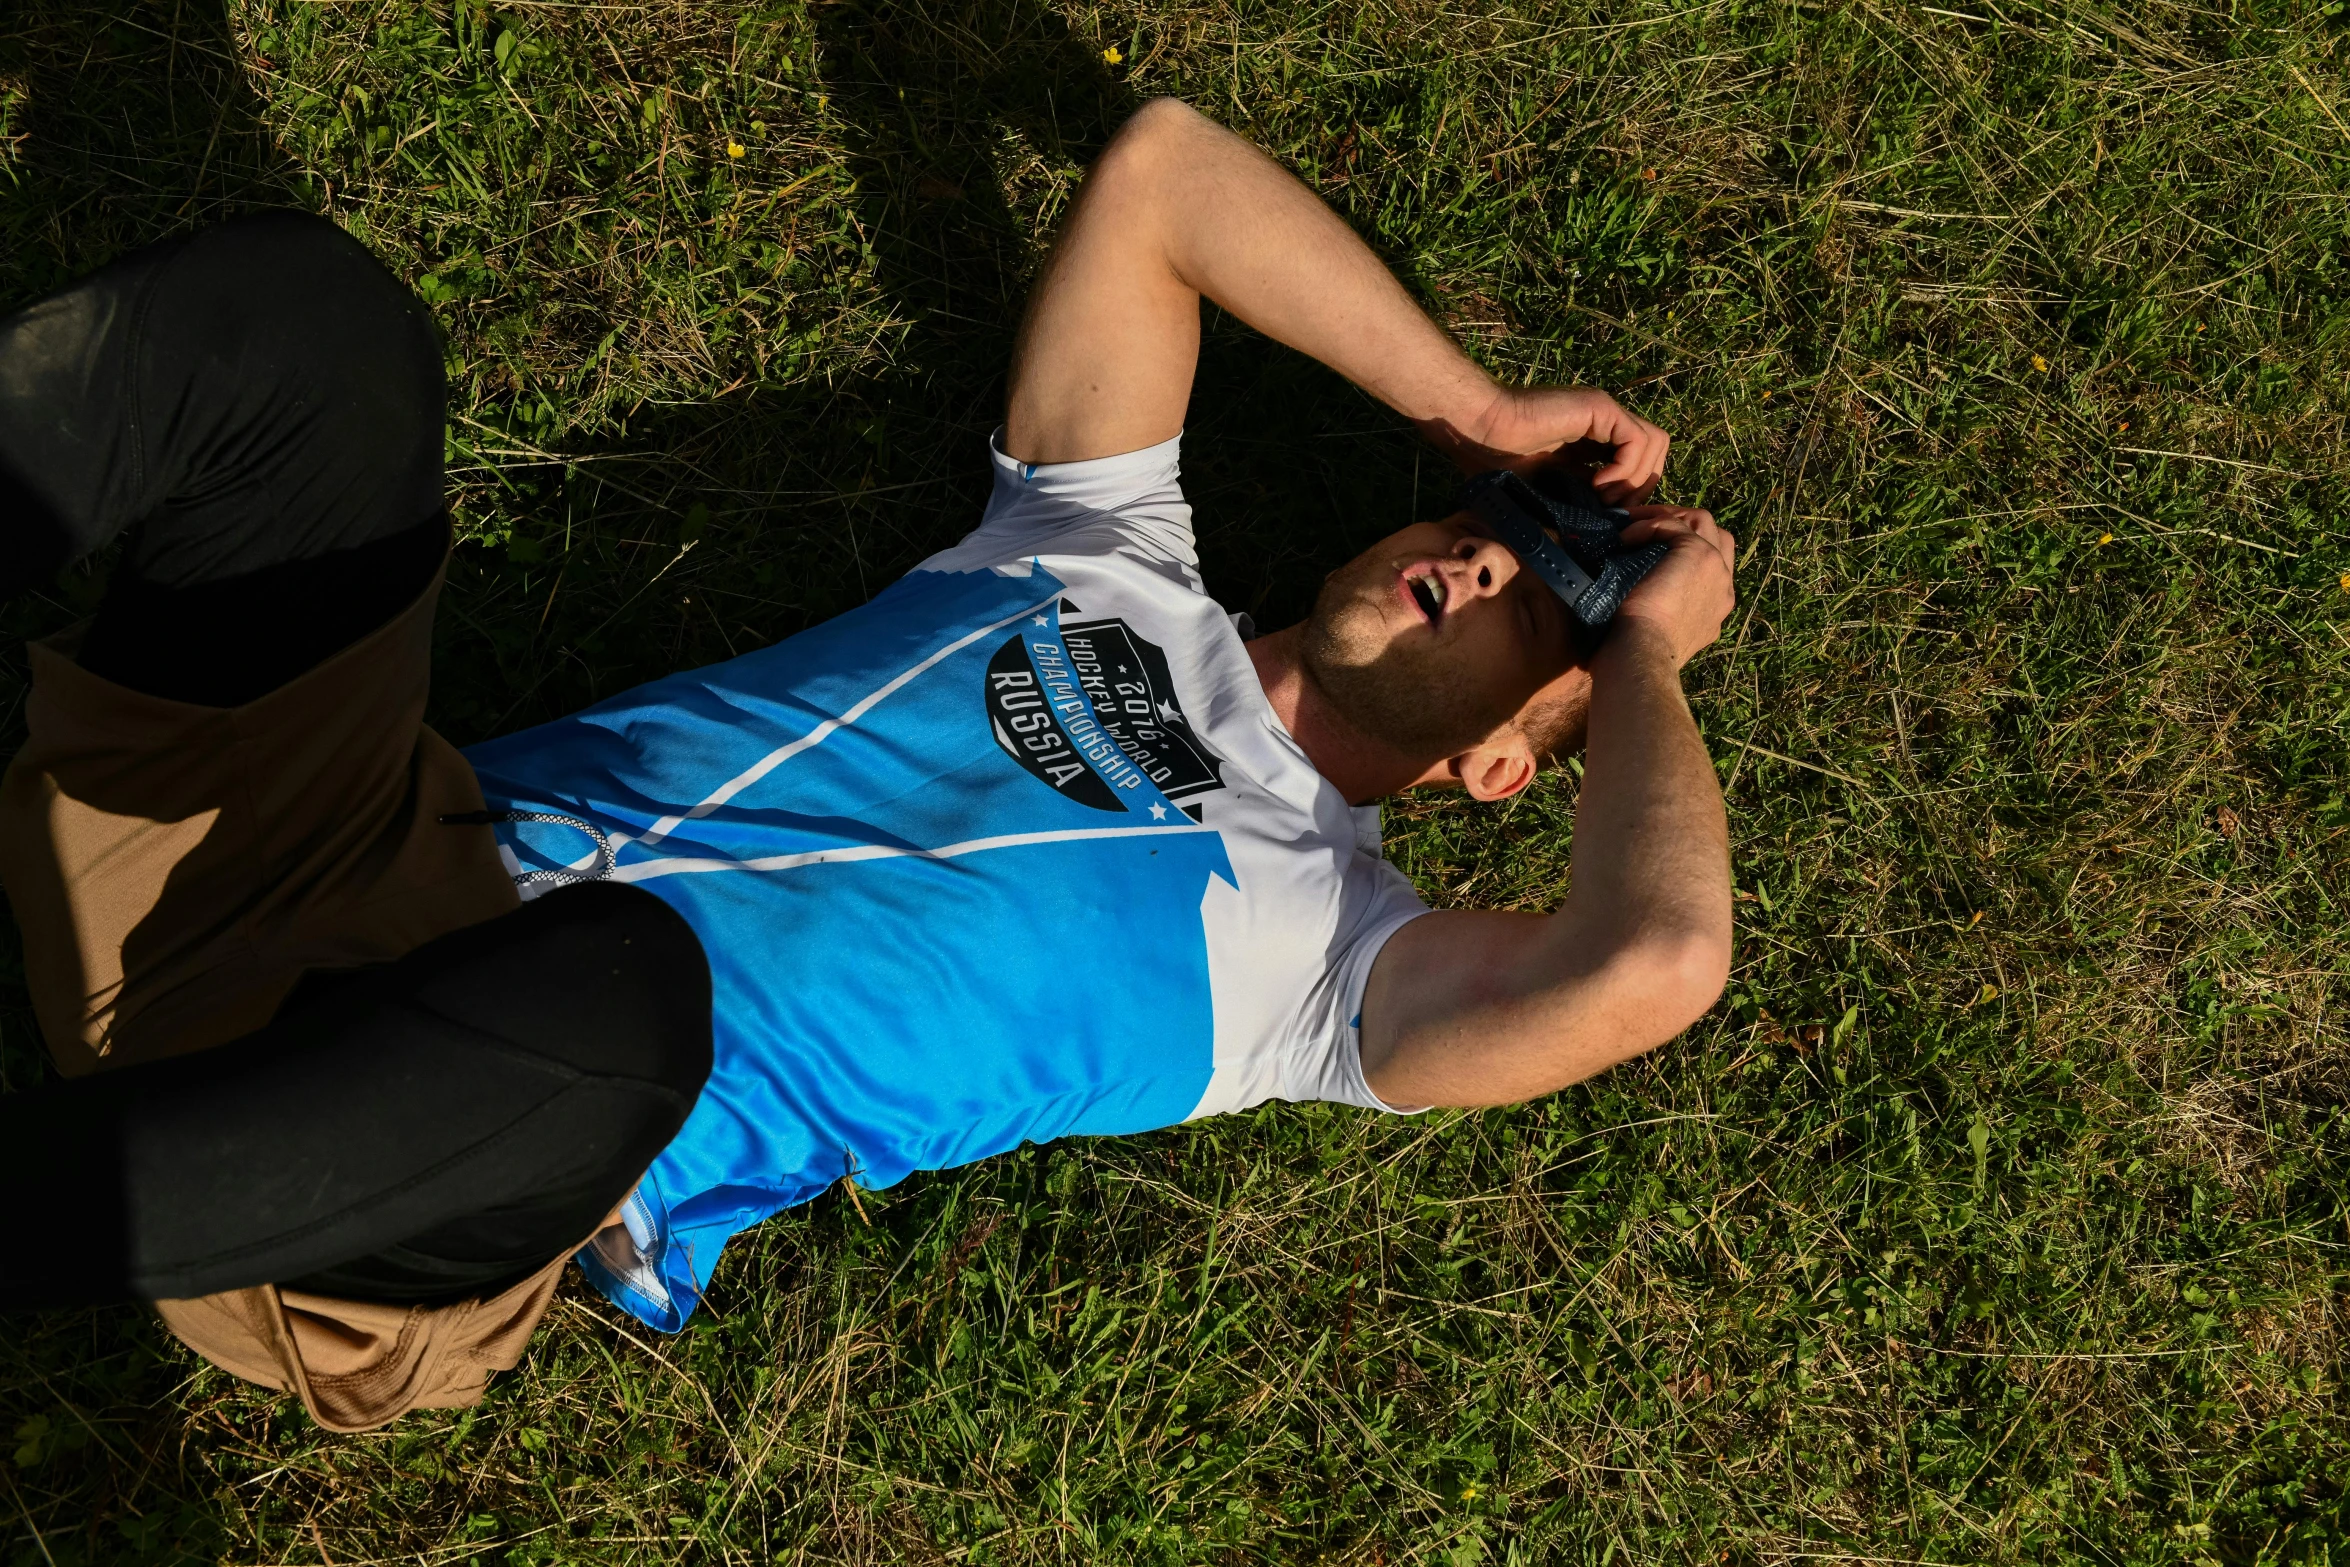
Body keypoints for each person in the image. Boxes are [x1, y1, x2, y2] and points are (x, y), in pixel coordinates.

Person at [0, 98, 1734, 1427]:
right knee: (318, 335)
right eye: (1495, 527)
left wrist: (1645, 645)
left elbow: (1646, 958)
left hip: (404, 1184)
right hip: (294, 844)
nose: (1490, 563)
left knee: (624, 1002)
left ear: (1507, 766)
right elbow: (1166, 171)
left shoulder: (1330, 963)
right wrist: (1480, 407)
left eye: (1544, 613)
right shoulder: (1103, 545)